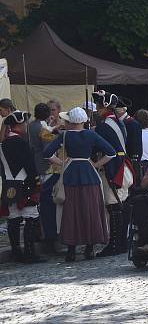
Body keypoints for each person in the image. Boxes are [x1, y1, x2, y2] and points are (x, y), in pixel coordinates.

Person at [43, 107, 117, 262]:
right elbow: (111, 152)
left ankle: (71, 250)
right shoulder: (91, 134)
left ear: (70, 121)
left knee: (70, 213)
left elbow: (47, 153)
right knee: (90, 211)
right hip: (90, 175)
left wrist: (63, 163)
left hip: (70, 175)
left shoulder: (64, 136)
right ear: (84, 121)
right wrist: (96, 165)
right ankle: (89, 248)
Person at [91, 91, 134, 257]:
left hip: (114, 168)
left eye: (98, 105)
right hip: (121, 166)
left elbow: (100, 147)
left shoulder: (104, 125)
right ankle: (120, 243)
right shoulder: (116, 121)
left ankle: (115, 244)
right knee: (119, 206)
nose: (97, 108)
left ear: (104, 107)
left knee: (114, 206)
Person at [0, 110, 46, 263]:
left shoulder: (3, 144)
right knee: (30, 216)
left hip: (9, 185)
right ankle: (29, 252)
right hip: (25, 183)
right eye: (24, 123)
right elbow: (29, 165)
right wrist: (35, 182)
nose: (26, 125)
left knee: (13, 218)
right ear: (18, 125)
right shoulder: (21, 143)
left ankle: (16, 252)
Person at [28, 103, 59, 253]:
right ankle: (49, 237)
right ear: (47, 115)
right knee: (47, 202)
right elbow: (48, 144)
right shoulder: (42, 127)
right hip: (45, 167)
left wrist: (52, 126)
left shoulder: (32, 125)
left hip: (35, 163)